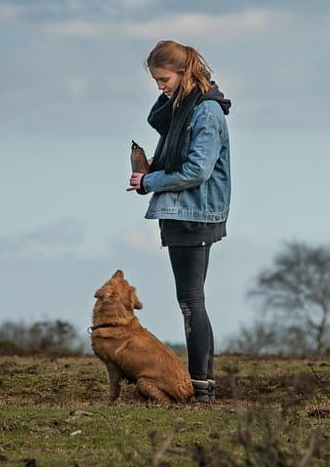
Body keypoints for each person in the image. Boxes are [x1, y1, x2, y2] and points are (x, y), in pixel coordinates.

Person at [128, 40, 231, 403]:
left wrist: (149, 181)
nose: (160, 86)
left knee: (191, 302)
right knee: (190, 301)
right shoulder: (184, 109)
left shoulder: (205, 112)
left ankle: (201, 387)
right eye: (156, 81)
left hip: (195, 214)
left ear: (184, 71)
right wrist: (150, 172)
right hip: (183, 212)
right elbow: (178, 158)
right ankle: (202, 385)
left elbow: (197, 170)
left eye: (164, 79)